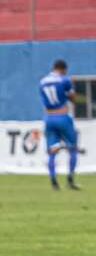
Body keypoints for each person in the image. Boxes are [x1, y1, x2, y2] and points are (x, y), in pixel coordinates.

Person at [39, 60, 82, 190]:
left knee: (52, 150)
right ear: (63, 69)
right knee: (72, 148)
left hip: (49, 117)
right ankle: (70, 180)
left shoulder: (42, 81)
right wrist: (71, 97)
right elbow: (73, 99)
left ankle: (53, 181)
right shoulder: (65, 80)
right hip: (63, 117)